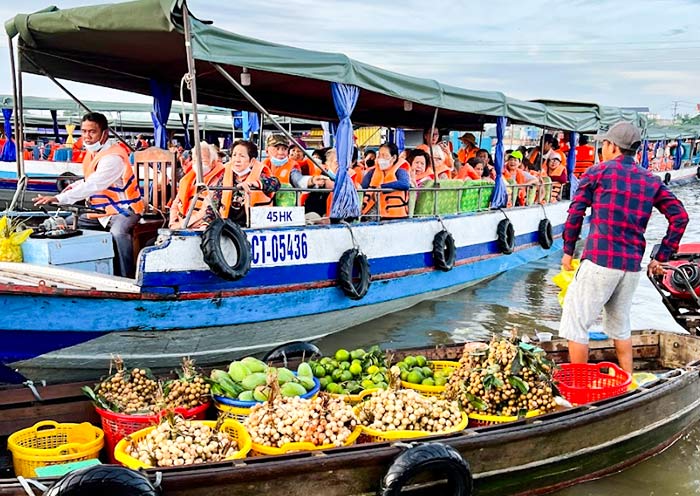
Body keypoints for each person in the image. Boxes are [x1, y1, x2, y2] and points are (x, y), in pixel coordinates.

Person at [559, 121, 689, 374]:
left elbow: (576, 212)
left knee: (576, 324)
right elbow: (680, 217)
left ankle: (580, 386)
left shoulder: (598, 172)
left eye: (604, 144)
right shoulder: (650, 180)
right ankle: (628, 381)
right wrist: (660, 257)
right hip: (630, 267)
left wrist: (567, 250)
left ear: (611, 146)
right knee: (620, 325)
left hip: (599, 261)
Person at [34, 112, 144, 277]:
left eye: (92, 132)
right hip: (98, 211)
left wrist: (59, 198)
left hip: (124, 209)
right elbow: (88, 180)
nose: (87, 136)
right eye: (84, 131)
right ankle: (77, 271)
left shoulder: (113, 157)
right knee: (64, 224)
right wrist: (70, 189)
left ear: (104, 133)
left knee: (118, 233)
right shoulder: (93, 153)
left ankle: (126, 276)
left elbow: (94, 184)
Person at [208, 140, 280, 227]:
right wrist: (207, 223)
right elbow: (214, 202)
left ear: (252, 161)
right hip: (228, 226)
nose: (237, 160)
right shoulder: (225, 176)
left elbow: (275, 183)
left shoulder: (260, 174)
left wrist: (255, 184)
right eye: (234, 155)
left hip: (255, 227)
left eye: (242, 156)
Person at [169, 141, 225, 230]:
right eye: (195, 160)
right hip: (181, 226)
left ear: (213, 162)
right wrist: (172, 223)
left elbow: (206, 211)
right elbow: (175, 204)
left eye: (202, 160)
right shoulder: (187, 180)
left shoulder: (219, 181)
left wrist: (182, 225)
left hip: (201, 228)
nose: (197, 163)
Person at [361, 142, 410, 219]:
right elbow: (362, 187)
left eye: (384, 156)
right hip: (372, 213)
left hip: (395, 215)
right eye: (379, 155)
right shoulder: (372, 172)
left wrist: (382, 187)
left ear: (393, 158)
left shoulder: (400, 171)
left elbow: (405, 184)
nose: (381, 158)